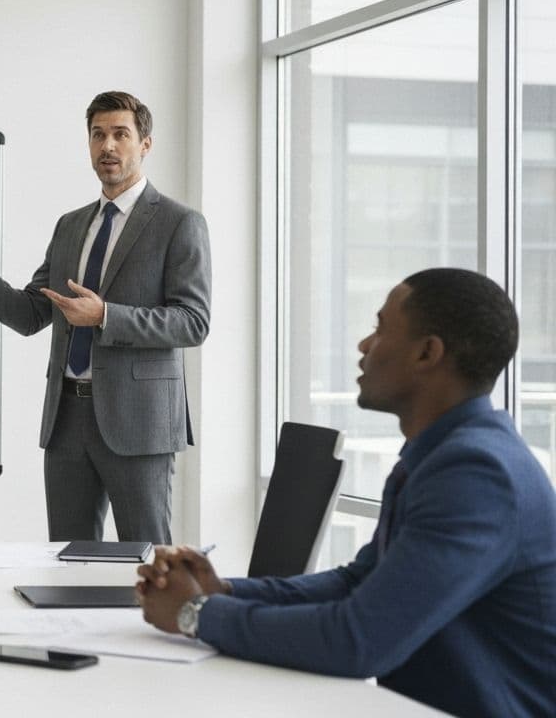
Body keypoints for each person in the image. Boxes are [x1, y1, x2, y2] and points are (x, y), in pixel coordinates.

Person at [137, 269, 556, 718]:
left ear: (427, 353)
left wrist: (197, 613)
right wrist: (224, 592)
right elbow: (358, 581)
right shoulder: (451, 452)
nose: (363, 346)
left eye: (379, 329)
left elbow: (360, 640)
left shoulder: (475, 473)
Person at [0, 90, 210, 543]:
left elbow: (192, 321)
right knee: (67, 562)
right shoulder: (71, 225)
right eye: (98, 135)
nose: (108, 147)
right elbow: (32, 313)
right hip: (67, 421)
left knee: (144, 562)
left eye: (121, 134)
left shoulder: (179, 223)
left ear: (145, 144)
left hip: (138, 424)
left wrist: (105, 316)